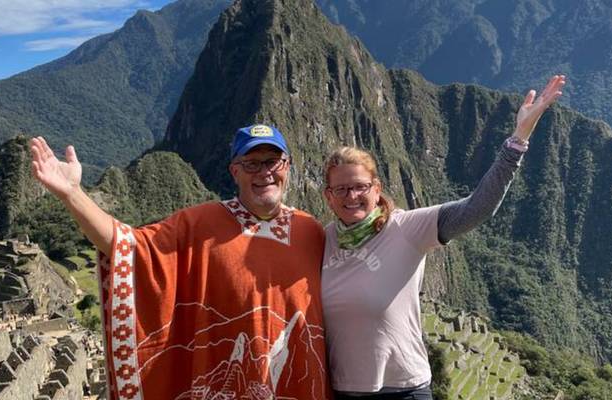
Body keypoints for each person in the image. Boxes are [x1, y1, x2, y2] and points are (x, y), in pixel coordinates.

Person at [30, 124, 331, 399]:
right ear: (234, 171)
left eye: (272, 162)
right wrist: (72, 194)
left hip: (299, 384)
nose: (264, 172)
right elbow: (128, 247)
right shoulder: (198, 225)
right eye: (251, 163)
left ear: (287, 167)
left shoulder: (312, 230)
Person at [320, 76, 566, 399]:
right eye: (341, 189)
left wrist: (518, 139)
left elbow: (477, 208)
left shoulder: (405, 228)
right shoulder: (321, 241)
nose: (351, 195)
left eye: (360, 187)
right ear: (328, 196)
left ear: (376, 189)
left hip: (404, 391)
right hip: (342, 392)